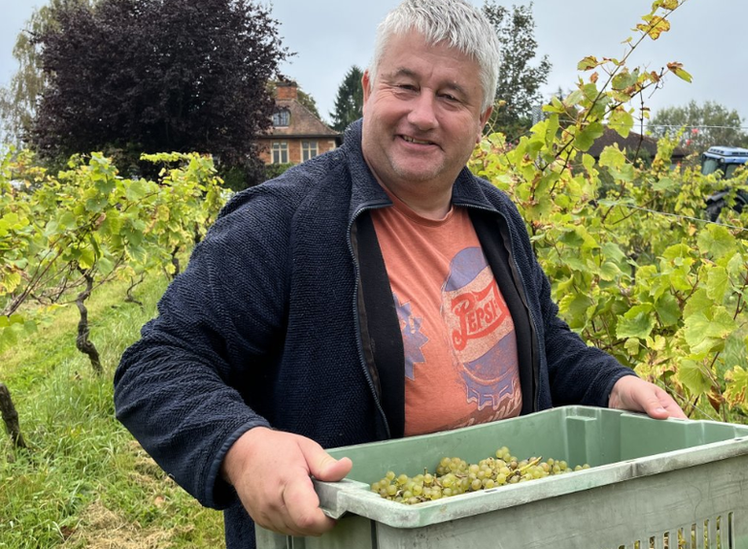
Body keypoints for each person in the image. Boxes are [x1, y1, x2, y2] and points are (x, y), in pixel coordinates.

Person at [113, 1, 686, 548]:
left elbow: (547, 344)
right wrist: (242, 447)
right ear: (369, 89)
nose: (421, 114)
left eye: (451, 96)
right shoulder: (284, 220)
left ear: (482, 120)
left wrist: (611, 385)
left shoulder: (496, 216)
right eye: (404, 85)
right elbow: (157, 365)